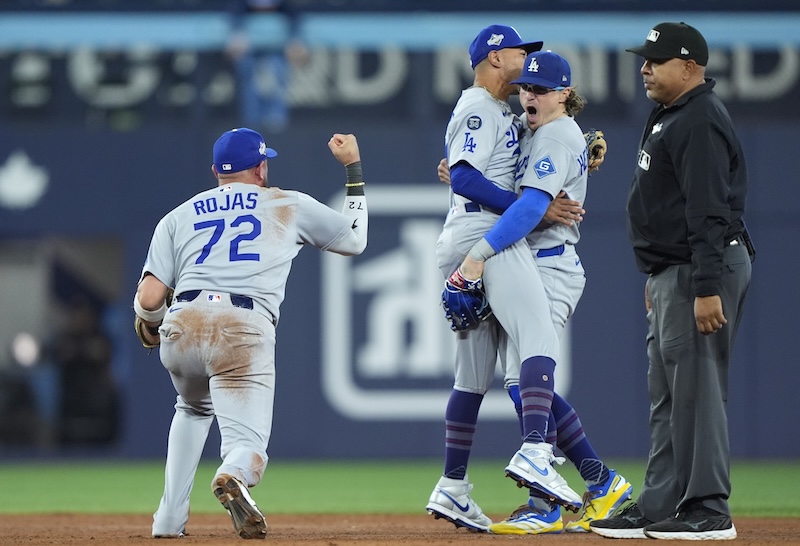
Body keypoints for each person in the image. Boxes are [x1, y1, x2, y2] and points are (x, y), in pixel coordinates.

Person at [133, 127, 368, 539]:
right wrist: (353, 169)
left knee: (191, 408)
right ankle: (233, 473)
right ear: (260, 169)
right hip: (240, 328)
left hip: (182, 323)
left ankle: (168, 520)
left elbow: (150, 298)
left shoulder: (179, 215)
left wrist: (152, 325)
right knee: (247, 445)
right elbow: (354, 240)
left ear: (215, 172)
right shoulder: (285, 203)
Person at [437, 51, 632, 535]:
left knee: (525, 376)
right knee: (518, 383)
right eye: (526, 86)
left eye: (541, 89)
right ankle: (590, 483)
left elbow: (529, 207)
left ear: (564, 94)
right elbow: (505, 168)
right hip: (529, 260)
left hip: (549, 264)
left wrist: (479, 253)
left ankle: (564, 492)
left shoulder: (555, 134)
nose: (530, 94)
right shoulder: (538, 130)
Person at [589, 22, 753, 541]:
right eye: (645, 59)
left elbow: (707, 210)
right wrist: (660, 270)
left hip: (699, 270)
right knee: (667, 396)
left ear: (689, 67)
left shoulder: (699, 118)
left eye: (655, 60)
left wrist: (705, 285)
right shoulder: (673, 113)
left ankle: (708, 508)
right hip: (673, 270)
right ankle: (660, 502)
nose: (644, 68)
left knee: (697, 391)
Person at [426, 24, 584, 533]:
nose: (525, 59)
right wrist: (528, 207)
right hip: (486, 237)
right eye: (520, 52)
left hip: (467, 234)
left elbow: (512, 153)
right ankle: (537, 451)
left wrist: (583, 153)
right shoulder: (479, 106)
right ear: (495, 58)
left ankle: (452, 486)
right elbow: (465, 176)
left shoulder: (500, 111)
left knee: (471, 377)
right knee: (537, 338)